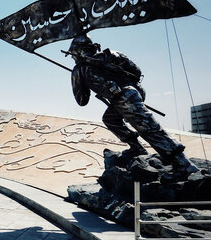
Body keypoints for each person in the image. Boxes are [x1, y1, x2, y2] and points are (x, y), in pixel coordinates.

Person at [67, 33, 197, 176]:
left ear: (79, 52)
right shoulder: (113, 54)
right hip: (136, 91)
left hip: (124, 98)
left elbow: (82, 101)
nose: (72, 58)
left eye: (72, 54)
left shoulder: (80, 70)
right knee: (110, 119)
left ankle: (182, 163)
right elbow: (137, 71)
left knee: (147, 127)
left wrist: (79, 82)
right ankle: (137, 148)